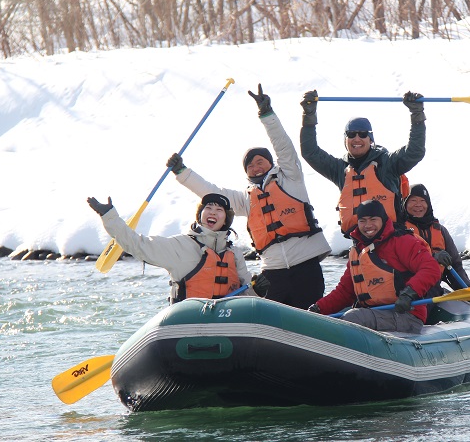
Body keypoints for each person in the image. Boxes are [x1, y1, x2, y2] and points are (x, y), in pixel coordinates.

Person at [166, 84, 331, 310]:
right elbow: (211, 192)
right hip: (273, 272)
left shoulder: (291, 178)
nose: (255, 167)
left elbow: (283, 146)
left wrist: (267, 115)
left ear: (270, 163)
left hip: (306, 266)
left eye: (259, 161)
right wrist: (182, 172)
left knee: (310, 313)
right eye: (250, 165)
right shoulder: (246, 199)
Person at [87, 193, 259, 303]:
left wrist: (257, 290)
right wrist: (109, 216)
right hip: (188, 325)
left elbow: (247, 295)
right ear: (200, 215)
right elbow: (138, 245)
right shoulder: (181, 246)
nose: (212, 212)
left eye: (219, 209)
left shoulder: (234, 254)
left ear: (226, 219)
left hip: (228, 325)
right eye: (208, 208)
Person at [299, 89, 426, 236]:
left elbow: (415, 152)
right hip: (359, 242)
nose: (357, 139)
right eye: (351, 134)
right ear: (345, 140)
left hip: (390, 239)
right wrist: (308, 117)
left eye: (363, 134)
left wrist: (417, 115)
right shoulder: (339, 169)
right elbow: (310, 152)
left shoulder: (388, 163)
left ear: (370, 139)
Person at [307, 199, 442, 334]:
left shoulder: (402, 241)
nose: (368, 225)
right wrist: (318, 309)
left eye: (373, 219)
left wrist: (410, 293)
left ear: (383, 220)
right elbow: (345, 292)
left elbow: (431, 268)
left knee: (354, 317)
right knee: (348, 315)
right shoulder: (358, 251)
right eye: (363, 221)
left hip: (406, 315)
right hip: (374, 313)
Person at [402, 183, 470, 295]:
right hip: (406, 289)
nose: (418, 205)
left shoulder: (440, 231)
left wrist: (467, 289)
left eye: (422, 201)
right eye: (413, 201)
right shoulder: (399, 230)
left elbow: (455, 264)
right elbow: (401, 259)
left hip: (433, 287)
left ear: (428, 204)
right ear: (405, 204)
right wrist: (432, 258)